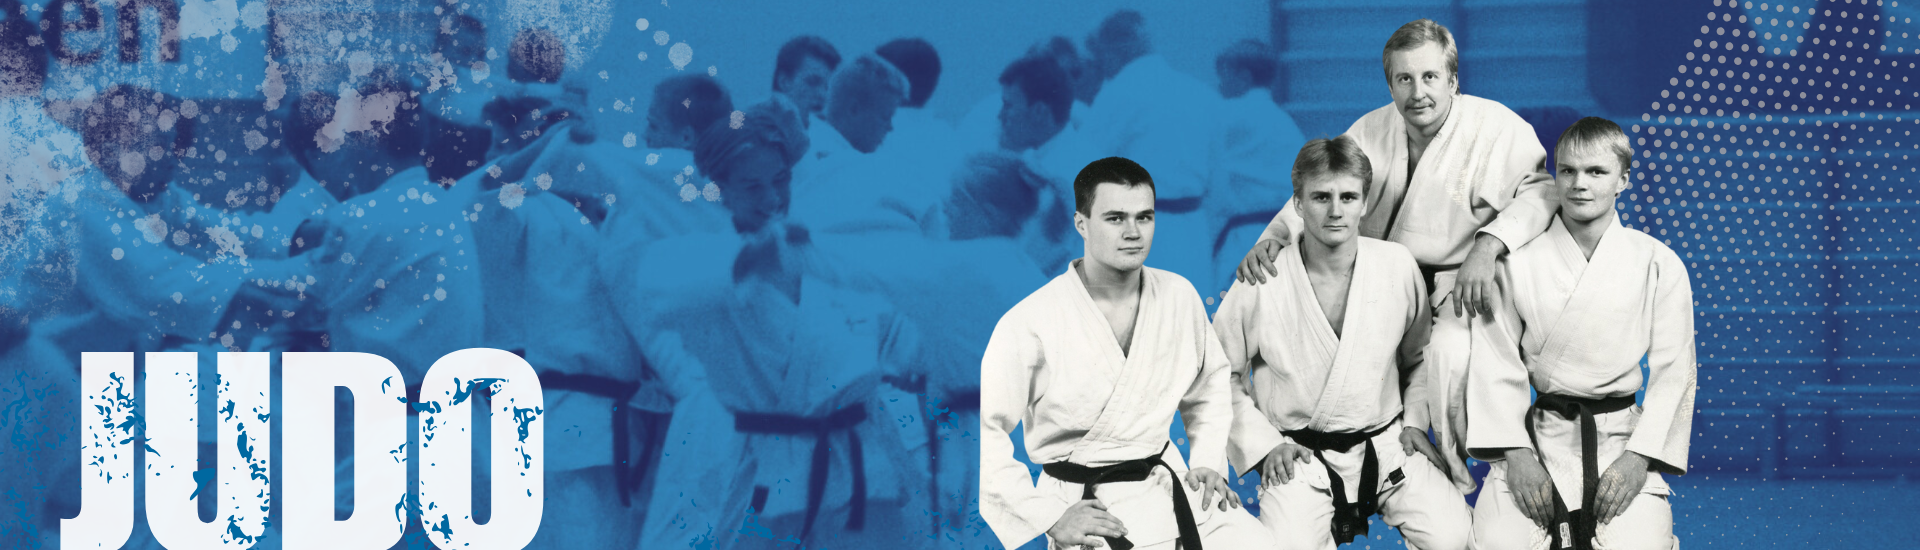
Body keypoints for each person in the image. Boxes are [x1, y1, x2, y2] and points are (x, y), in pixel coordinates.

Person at [1233, 19, 1556, 493]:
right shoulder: (1370, 129)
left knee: (1447, 354)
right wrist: (1276, 236)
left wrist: (1489, 245)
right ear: (1390, 85)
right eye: (1404, 79)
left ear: (1453, 80)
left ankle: (1457, 473)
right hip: (1377, 280)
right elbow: (1328, 184)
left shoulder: (1497, 127)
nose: (1417, 93)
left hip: (1456, 281)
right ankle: (1357, 456)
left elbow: (1541, 192)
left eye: (1430, 77)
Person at [625, 101, 919, 550]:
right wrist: (752, 258)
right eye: (752, 186)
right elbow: (656, 292)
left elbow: (894, 331)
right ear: (718, 190)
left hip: (861, 466)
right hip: (769, 472)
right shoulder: (694, 262)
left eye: (780, 180)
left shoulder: (819, 253)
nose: (771, 198)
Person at [979, 157, 1271, 550]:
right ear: (1081, 223)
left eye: (1144, 217)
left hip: (1169, 487)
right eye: (1115, 218)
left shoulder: (1178, 296)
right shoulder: (1030, 320)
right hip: (1090, 507)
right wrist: (1049, 517)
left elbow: (1210, 386)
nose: (1133, 233)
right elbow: (990, 430)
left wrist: (1206, 461)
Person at [1215, 137, 1469, 550]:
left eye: (1348, 197)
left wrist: (1414, 422)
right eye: (1321, 197)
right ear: (1297, 204)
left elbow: (1418, 358)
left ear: (1365, 203)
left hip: (1386, 443)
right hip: (1297, 452)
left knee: (1455, 536)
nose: (1336, 210)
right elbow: (1216, 373)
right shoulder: (1263, 278)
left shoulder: (1396, 264)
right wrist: (1263, 448)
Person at [1466, 118, 1694, 550]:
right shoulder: (1515, 264)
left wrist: (1639, 458)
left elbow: (1675, 372)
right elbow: (1495, 363)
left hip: (1621, 437)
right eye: (1567, 170)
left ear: (1623, 180)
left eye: (1596, 172)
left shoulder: (1658, 263)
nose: (1579, 184)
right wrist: (1517, 455)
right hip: (1539, 436)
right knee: (1500, 542)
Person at [1075, 10, 1251, 294]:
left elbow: (1081, 167)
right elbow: (1220, 191)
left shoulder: (1118, 94)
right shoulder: (1202, 95)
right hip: (1193, 234)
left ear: (1110, 51)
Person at [789, 53, 930, 235]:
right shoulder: (815, 161)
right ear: (854, 110)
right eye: (885, 117)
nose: (890, 127)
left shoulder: (810, 146)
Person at [1209, 40, 1305, 286]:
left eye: (1224, 76)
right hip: (1287, 234)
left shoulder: (1225, 114)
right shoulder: (1287, 125)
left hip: (1241, 237)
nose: (1219, 85)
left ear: (1244, 76)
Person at [994, 53, 1091, 274]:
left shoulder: (1066, 175)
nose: (1000, 116)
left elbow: (1023, 265)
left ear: (1039, 112)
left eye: (1008, 106)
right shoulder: (1045, 158)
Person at [772, 35, 841, 130]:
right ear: (784, 82)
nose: (823, 95)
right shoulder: (751, 128)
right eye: (813, 82)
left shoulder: (831, 136)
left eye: (829, 88)